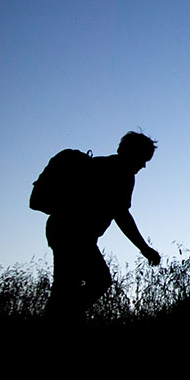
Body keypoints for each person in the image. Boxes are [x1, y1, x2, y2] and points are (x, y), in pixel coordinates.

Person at [41, 131, 161, 321]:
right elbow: (121, 215)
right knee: (97, 281)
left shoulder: (99, 164)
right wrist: (145, 249)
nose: (144, 165)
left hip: (62, 228)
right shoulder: (121, 173)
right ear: (131, 153)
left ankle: (61, 317)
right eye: (143, 158)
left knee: (66, 286)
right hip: (75, 234)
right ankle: (62, 318)